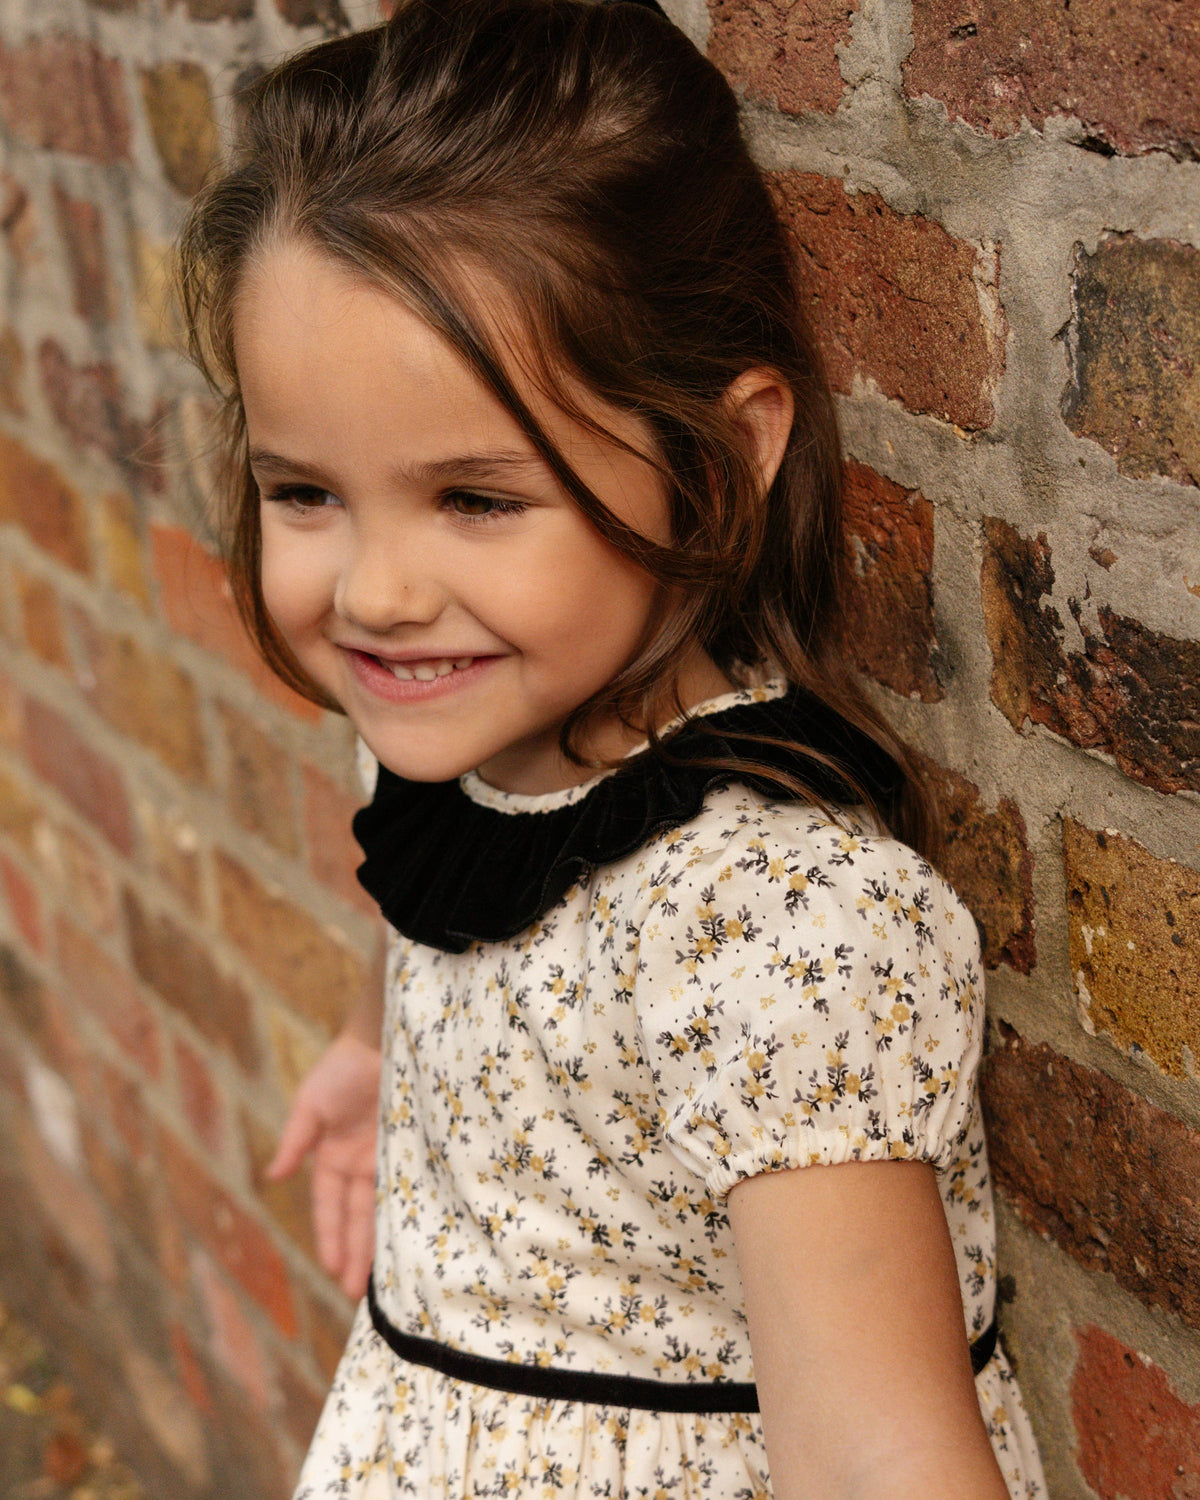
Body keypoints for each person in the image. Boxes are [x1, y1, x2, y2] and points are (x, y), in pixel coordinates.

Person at [175, 0, 1046, 1493]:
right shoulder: (455, 735)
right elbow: (448, 883)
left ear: (717, 463)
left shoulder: (785, 932)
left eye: (475, 499)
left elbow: (881, 1462)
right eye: (305, 492)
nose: (374, 592)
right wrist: (375, 1052)